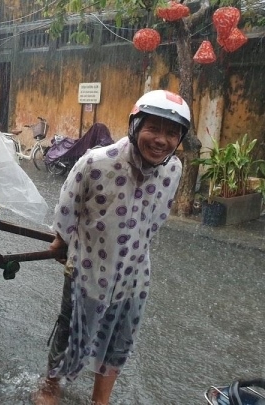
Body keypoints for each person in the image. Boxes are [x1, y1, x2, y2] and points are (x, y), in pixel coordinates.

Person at [33, 89, 191, 405]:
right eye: (154, 129)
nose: (161, 140)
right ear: (135, 126)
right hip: (87, 265)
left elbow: (157, 218)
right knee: (70, 328)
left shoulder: (173, 170)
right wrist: (62, 241)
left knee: (120, 337)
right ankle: (51, 385)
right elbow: (67, 208)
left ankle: (100, 400)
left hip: (135, 272)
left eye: (171, 133)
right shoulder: (95, 162)